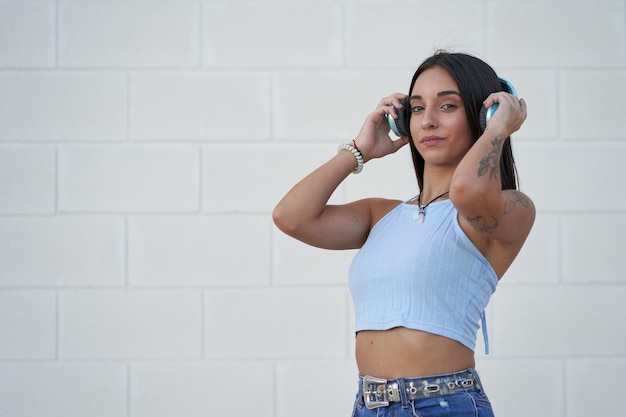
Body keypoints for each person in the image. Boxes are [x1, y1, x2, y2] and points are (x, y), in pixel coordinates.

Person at [272, 50, 535, 417]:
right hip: (368, 406)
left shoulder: (512, 209)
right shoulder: (382, 214)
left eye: (447, 106)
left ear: (482, 112)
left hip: (443, 405)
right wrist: (360, 150)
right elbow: (291, 217)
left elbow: (467, 191)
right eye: (416, 108)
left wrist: (498, 130)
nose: (427, 121)